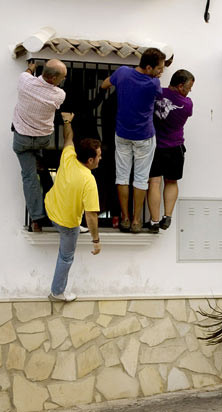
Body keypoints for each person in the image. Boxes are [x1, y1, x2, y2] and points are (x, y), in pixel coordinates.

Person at [101, 48, 165, 233]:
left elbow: (105, 85)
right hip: (144, 136)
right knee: (140, 179)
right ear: (148, 67)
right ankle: (137, 220)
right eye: (159, 68)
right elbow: (159, 97)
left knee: (122, 178)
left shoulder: (122, 72)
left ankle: (125, 218)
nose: (161, 71)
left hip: (122, 134)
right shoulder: (154, 84)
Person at [45, 112, 101, 302]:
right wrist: (96, 240)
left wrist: (67, 120)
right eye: (99, 156)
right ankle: (57, 292)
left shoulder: (69, 156)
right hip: (67, 224)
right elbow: (91, 215)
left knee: (75, 224)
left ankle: (77, 226)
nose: (100, 159)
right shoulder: (88, 180)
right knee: (66, 257)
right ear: (90, 160)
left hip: (51, 209)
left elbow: (68, 137)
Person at [12, 59, 67, 232]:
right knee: (42, 169)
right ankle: (42, 169)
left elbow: (27, 74)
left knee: (29, 177)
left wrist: (30, 67)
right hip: (43, 139)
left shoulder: (24, 81)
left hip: (23, 139)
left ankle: (36, 219)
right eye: (62, 77)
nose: (63, 80)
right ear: (52, 78)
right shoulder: (59, 95)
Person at [147, 69, 195, 233]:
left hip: (155, 146)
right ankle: (167, 216)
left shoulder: (156, 93)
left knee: (154, 182)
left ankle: (154, 221)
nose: (189, 91)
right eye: (189, 87)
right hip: (175, 147)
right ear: (181, 86)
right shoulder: (187, 104)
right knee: (172, 182)